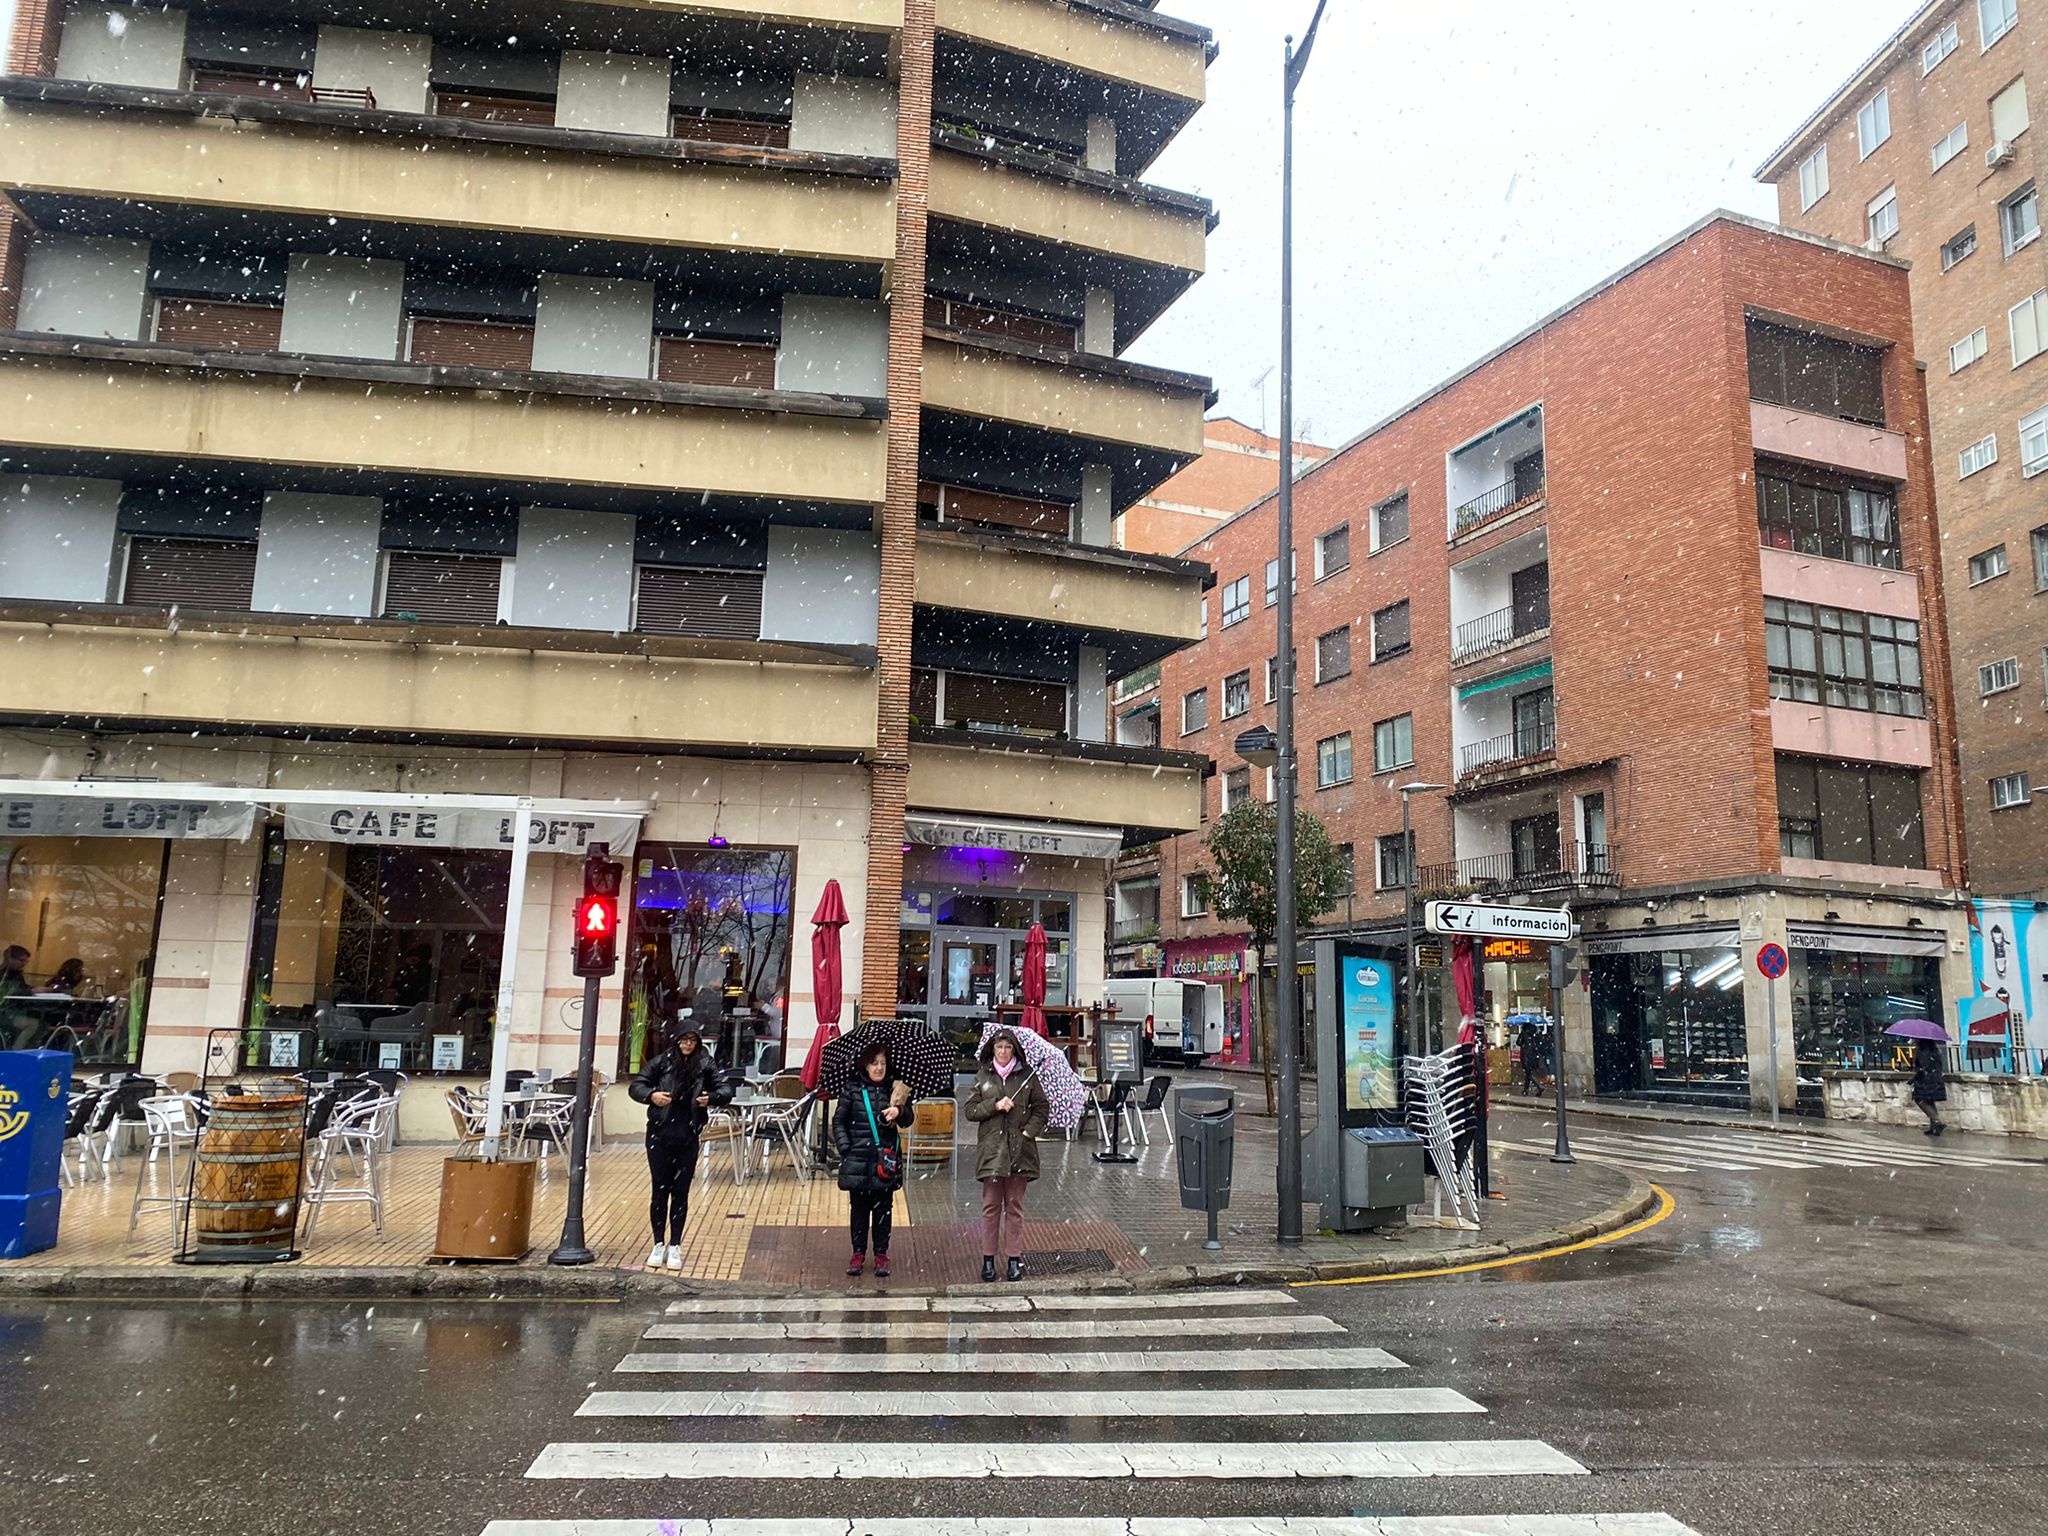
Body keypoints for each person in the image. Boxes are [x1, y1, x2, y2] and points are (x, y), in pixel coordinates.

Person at [628, 1025, 734, 1272]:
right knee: (659, 1190)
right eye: (684, 1040)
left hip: (688, 1134)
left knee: (681, 1191)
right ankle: (658, 1243)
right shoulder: (662, 1062)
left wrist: (712, 1098)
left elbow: (726, 1089)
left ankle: (675, 1244)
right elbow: (637, 1086)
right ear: (676, 1041)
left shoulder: (705, 1064)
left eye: (692, 1041)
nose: (688, 1045)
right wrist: (652, 1095)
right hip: (660, 1133)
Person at [965, 1028, 1049, 1283]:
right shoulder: (983, 1075)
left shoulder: (1027, 1076)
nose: (1003, 1052)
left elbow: (1042, 1109)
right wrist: (995, 1105)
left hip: (1019, 1153)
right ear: (992, 1050)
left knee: (1014, 1207)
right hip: (992, 1153)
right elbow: (970, 1110)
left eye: (1008, 1047)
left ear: (1014, 1050)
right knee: (990, 1207)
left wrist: (1027, 1133)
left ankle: (1014, 1258)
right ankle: (988, 1259)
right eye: (999, 1047)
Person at [835, 1040, 915, 1278]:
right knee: (858, 1210)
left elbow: (908, 1119)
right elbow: (839, 1120)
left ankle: (881, 1254)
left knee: (883, 1210)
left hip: (884, 1161)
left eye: (882, 1063)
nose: (879, 1068)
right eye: (874, 1063)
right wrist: (846, 1148)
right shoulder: (852, 1089)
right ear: (865, 1065)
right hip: (858, 1159)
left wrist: (899, 1111)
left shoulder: (895, 1089)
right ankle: (858, 1253)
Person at [1911, 1038, 1947, 1137]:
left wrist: (1915, 1076)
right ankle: (1934, 1127)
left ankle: (1937, 1122)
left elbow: (1921, 1067)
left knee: (1920, 1100)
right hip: (1936, 1079)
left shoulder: (1922, 1052)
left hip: (1925, 1080)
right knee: (1930, 1101)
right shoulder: (1935, 1051)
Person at [1518, 1019, 1546, 1095]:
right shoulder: (1534, 1033)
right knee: (1528, 1073)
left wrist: (1521, 1034)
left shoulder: (1524, 1033)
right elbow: (1537, 1044)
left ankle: (1538, 1087)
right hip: (1533, 1055)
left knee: (1528, 1073)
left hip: (1526, 1055)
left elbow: (1518, 1042)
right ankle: (1526, 1090)